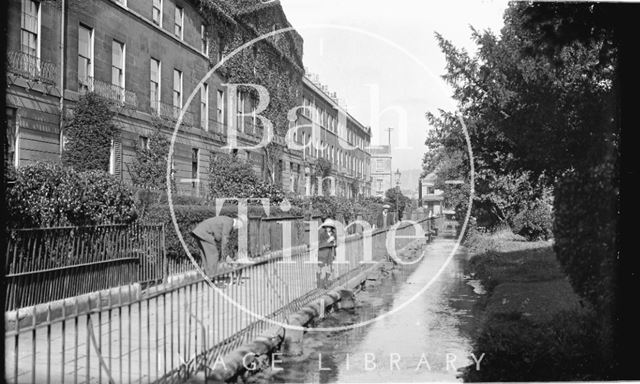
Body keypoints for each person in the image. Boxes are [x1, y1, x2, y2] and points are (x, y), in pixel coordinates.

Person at [191, 215, 245, 282]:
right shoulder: (229, 223)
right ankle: (213, 279)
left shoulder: (227, 220)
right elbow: (225, 240)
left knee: (206, 256)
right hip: (205, 233)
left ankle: (209, 277)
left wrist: (225, 255)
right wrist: (226, 256)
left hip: (200, 232)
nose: (238, 229)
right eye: (239, 227)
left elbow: (220, 238)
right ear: (239, 222)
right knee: (213, 255)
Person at [317, 218, 337, 289]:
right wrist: (329, 241)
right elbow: (320, 245)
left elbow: (336, 243)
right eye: (327, 226)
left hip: (330, 253)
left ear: (332, 227)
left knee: (330, 268)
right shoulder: (322, 234)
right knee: (322, 269)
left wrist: (334, 244)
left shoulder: (334, 234)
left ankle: (327, 284)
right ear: (325, 227)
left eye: (329, 227)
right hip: (323, 253)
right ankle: (320, 286)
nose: (328, 228)